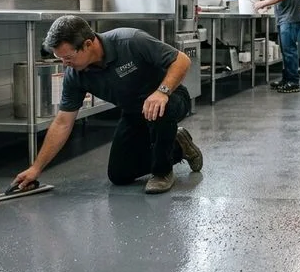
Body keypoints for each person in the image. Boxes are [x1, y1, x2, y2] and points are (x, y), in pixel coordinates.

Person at [12, 15, 203, 194]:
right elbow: (63, 122)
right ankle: (179, 145)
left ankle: (162, 172)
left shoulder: (130, 41)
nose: (64, 64)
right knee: (119, 174)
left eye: (68, 58)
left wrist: (162, 92)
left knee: (159, 110)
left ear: (88, 44)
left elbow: (182, 60)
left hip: (170, 98)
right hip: (133, 112)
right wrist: (36, 168)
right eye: (60, 58)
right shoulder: (75, 75)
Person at [254, 0, 300, 93]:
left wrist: (262, 3)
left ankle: (293, 82)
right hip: (286, 18)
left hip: (290, 18)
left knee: (289, 51)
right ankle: (286, 80)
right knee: (285, 51)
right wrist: (268, 6)